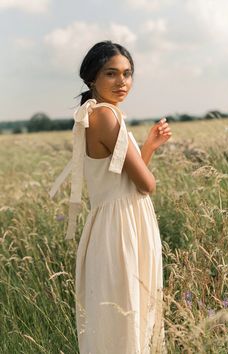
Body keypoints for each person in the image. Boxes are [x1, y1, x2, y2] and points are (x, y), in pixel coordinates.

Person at [50, 40, 171, 353]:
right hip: (121, 228)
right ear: (93, 78)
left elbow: (123, 181)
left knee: (121, 316)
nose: (122, 82)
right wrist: (146, 162)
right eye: (111, 73)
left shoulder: (100, 114)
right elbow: (146, 184)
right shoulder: (106, 116)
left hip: (115, 223)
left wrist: (147, 148)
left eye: (127, 73)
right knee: (128, 314)